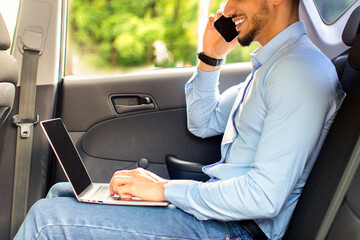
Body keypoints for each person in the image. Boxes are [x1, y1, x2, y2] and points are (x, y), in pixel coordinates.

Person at [15, 0, 345, 239]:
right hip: (222, 217)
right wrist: (211, 56)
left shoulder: (298, 72)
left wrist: (166, 190)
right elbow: (203, 122)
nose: (227, 9)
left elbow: (263, 197)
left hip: (236, 230)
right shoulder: (269, 69)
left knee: (47, 219)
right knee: (61, 192)